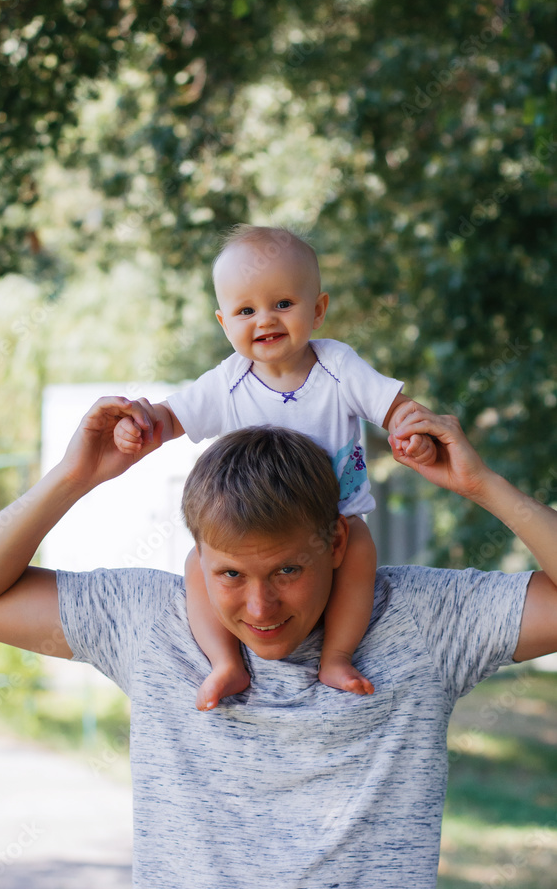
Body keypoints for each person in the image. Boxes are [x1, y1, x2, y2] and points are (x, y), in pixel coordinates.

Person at [0, 401, 557, 889]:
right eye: (230, 575)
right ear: (198, 558)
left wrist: (483, 487)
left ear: (336, 545)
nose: (260, 609)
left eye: (287, 570)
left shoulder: (421, 622)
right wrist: (71, 478)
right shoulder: (151, 622)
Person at [111, 224, 437, 708]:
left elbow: (394, 409)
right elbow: (171, 417)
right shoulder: (229, 380)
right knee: (196, 565)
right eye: (246, 310)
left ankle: (337, 656)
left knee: (361, 550)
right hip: (249, 527)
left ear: (318, 310)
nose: (265, 319)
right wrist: (139, 424)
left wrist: (415, 435)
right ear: (224, 323)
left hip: (332, 518)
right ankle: (225, 664)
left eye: (282, 304)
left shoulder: (337, 367)